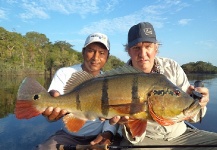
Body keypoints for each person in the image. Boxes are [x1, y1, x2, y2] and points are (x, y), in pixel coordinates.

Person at [109, 22, 217, 150]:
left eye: (148, 46)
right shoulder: (118, 80)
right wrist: (126, 124)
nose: (143, 54)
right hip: (145, 140)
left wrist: (200, 103)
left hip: (181, 135)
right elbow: (132, 134)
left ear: (156, 48)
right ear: (128, 51)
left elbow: (193, 113)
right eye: (136, 48)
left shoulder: (172, 68)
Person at [36, 33, 118, 150]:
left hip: (98, 136)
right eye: (91, 51)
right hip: (67, 135)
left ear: (107, 57)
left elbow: (112, 114)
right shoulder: (64, 73)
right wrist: (51, 114)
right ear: (83, 52)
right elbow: (51, 115)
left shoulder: (110, 82)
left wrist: (107, 134)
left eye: (101, 53)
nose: (95, 57)